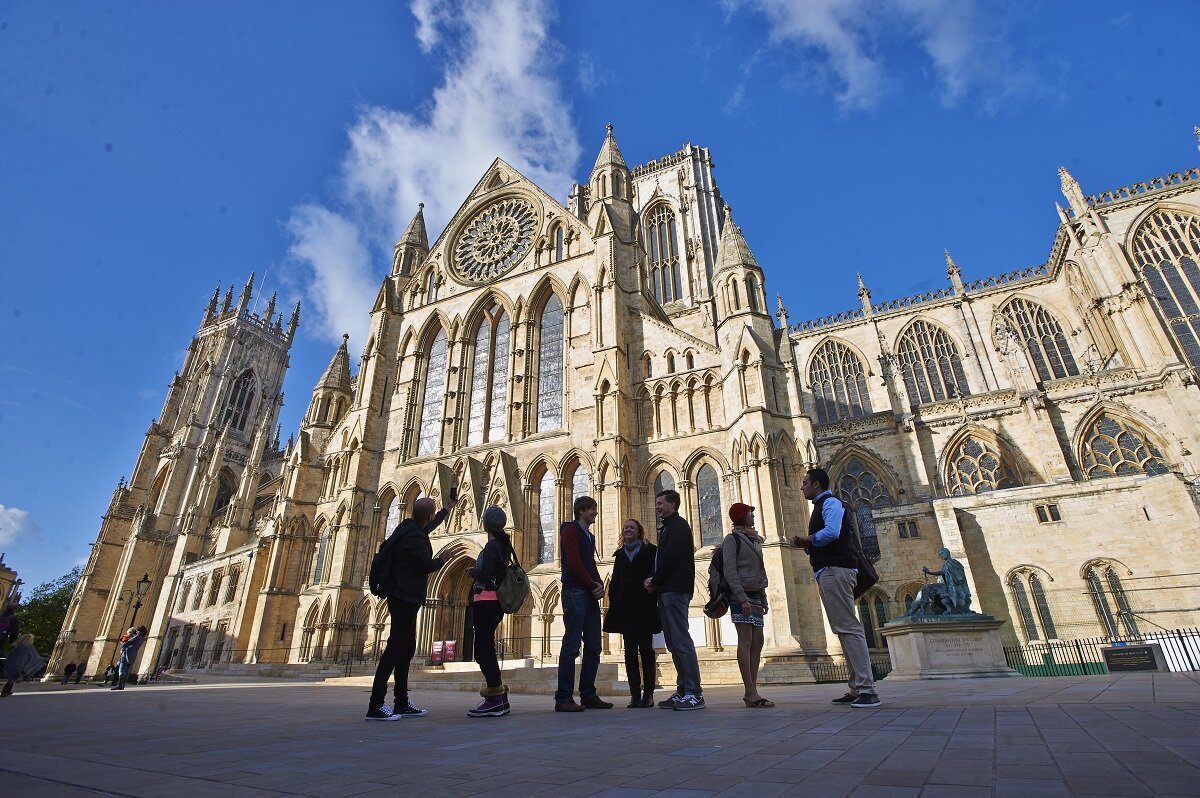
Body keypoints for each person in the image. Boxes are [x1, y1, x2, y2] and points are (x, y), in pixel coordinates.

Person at [793, 468, 881, 708]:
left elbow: (832, 532)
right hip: (829, 570)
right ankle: (856, 688)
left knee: (849, 628)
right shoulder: (821, 505)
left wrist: (809, 540)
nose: (802, 487)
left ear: (817, 485)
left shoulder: (830, 503)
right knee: (843, 628)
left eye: (805, 483)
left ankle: (867, 689)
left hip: (837, 569)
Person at [366, 493, 457, 721]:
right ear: (427, 515)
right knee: (394, 650)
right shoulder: (414, 536)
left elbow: (426, 529)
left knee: (406, 650)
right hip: (405, 598)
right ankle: (376, 705)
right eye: (434, 512)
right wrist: (443, 558)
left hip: (403, 597)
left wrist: (447, 509)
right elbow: (426, 565)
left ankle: (401, 703)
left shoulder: (407, 529)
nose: (434, 516)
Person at [644, 489, 704, 711]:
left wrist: (655, 579)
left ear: (673, 505)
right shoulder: (669, 528)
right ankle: (682, 690)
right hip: (667, 590)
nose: (657, 506)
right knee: (673, 643)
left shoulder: (678, 526)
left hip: (675, 589)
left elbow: (672, 558)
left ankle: (694, 693)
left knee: (681, 641)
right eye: (657, 503)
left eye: (661, 503)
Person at [554, 495, 613, 712]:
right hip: (574, 591)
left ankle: (588, 694)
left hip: (587, 593)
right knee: (571, 646)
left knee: (594, 646)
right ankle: (563, 697)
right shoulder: (570, 530)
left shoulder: (589, 535)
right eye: (592, 509)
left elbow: (589, 563)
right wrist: (591, 584)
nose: (595, 513)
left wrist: (598, 585)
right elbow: (574, 561)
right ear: (582, 511)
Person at [603, 518, 661, 708]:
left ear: (639, 532)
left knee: (646, 650)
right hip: (626, 607)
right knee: (629, 653)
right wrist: (614, 599)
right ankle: (635, 694)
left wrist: (652, 584)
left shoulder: (650, 551)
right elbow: (616, 580)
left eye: (632, 527)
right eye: (625, 528)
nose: (628, 530)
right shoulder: (620, 555)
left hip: (644, 605)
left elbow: (656, 573)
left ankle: (649, 694)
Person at [721, 503, 773, 708]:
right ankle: (750, 691)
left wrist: (764, 597)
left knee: (757, 641)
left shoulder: (754, 539)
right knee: (746, 640)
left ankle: (753, 689)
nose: (753, 516)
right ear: (741, 517)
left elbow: (759, 570)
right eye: (750, 514)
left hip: (756, 595)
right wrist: (741, 598)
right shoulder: (732, 540)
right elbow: (730, 571)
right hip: (740, 597)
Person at [465, 505, 513, 717]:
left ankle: (494, 696)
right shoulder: (502, 546)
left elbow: (485, 573)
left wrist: (473, 571)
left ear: (486, 524)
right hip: (493, 602)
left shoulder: (493, 546)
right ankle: (500, 699)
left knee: (483, 649)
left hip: (486, 600)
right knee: (486, 647)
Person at [924, 548, 971, 614]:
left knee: (960, 597)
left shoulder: (954, 562)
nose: (941, 556)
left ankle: (961, 610)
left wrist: (958, 578)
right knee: (951, 596)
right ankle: (954, 610)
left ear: (947, 553)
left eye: (942, 553)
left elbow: (960, 572)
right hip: (951, 585)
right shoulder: (945, 564)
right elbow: (941, 572)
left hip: (957, 584)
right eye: (940, 555)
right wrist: (929, 572)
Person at [112, 626, 146, 690]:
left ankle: (119, 685)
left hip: (127, 654)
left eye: (138, 631)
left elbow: (127, 643)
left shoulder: (137, 637)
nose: (137, 632)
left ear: (140, 631)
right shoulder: (142, 638)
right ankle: (122, 685)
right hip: (133, 655)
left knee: (121, 670)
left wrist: (122, 645)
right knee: (126, 671)